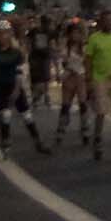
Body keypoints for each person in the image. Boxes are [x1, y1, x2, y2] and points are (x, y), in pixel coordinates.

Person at [0, 17, 46, 156]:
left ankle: (37, 141)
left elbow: (19, 71)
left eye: (5, 33)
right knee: (5, 114)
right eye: (0, 33)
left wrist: (17, 89)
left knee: (27, 115)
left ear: (9, 33)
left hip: (14, 84)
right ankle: (6, 143)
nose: (3, 36)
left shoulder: (15, 52)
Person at [56, 18, 93, 146]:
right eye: (73, 33)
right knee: (65, 105)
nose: (75, 35)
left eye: (77, 33)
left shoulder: (85, 46)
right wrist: (65, 70)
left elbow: (87, 62)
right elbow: (62, 62)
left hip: (81, 77)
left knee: (83, 104)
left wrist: (88, 77)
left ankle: (85, 130)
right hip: (69, 77)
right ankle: (61, 129)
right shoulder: (65, 46)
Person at [24, 14, 57, 147]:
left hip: (40, 58)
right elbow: (29, 41)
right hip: (39, 58)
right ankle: (37, 97)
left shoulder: (42, 31)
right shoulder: (40, 31)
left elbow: (29, 41)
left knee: (42, 79)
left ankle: (39, 97)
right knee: (40, 80)